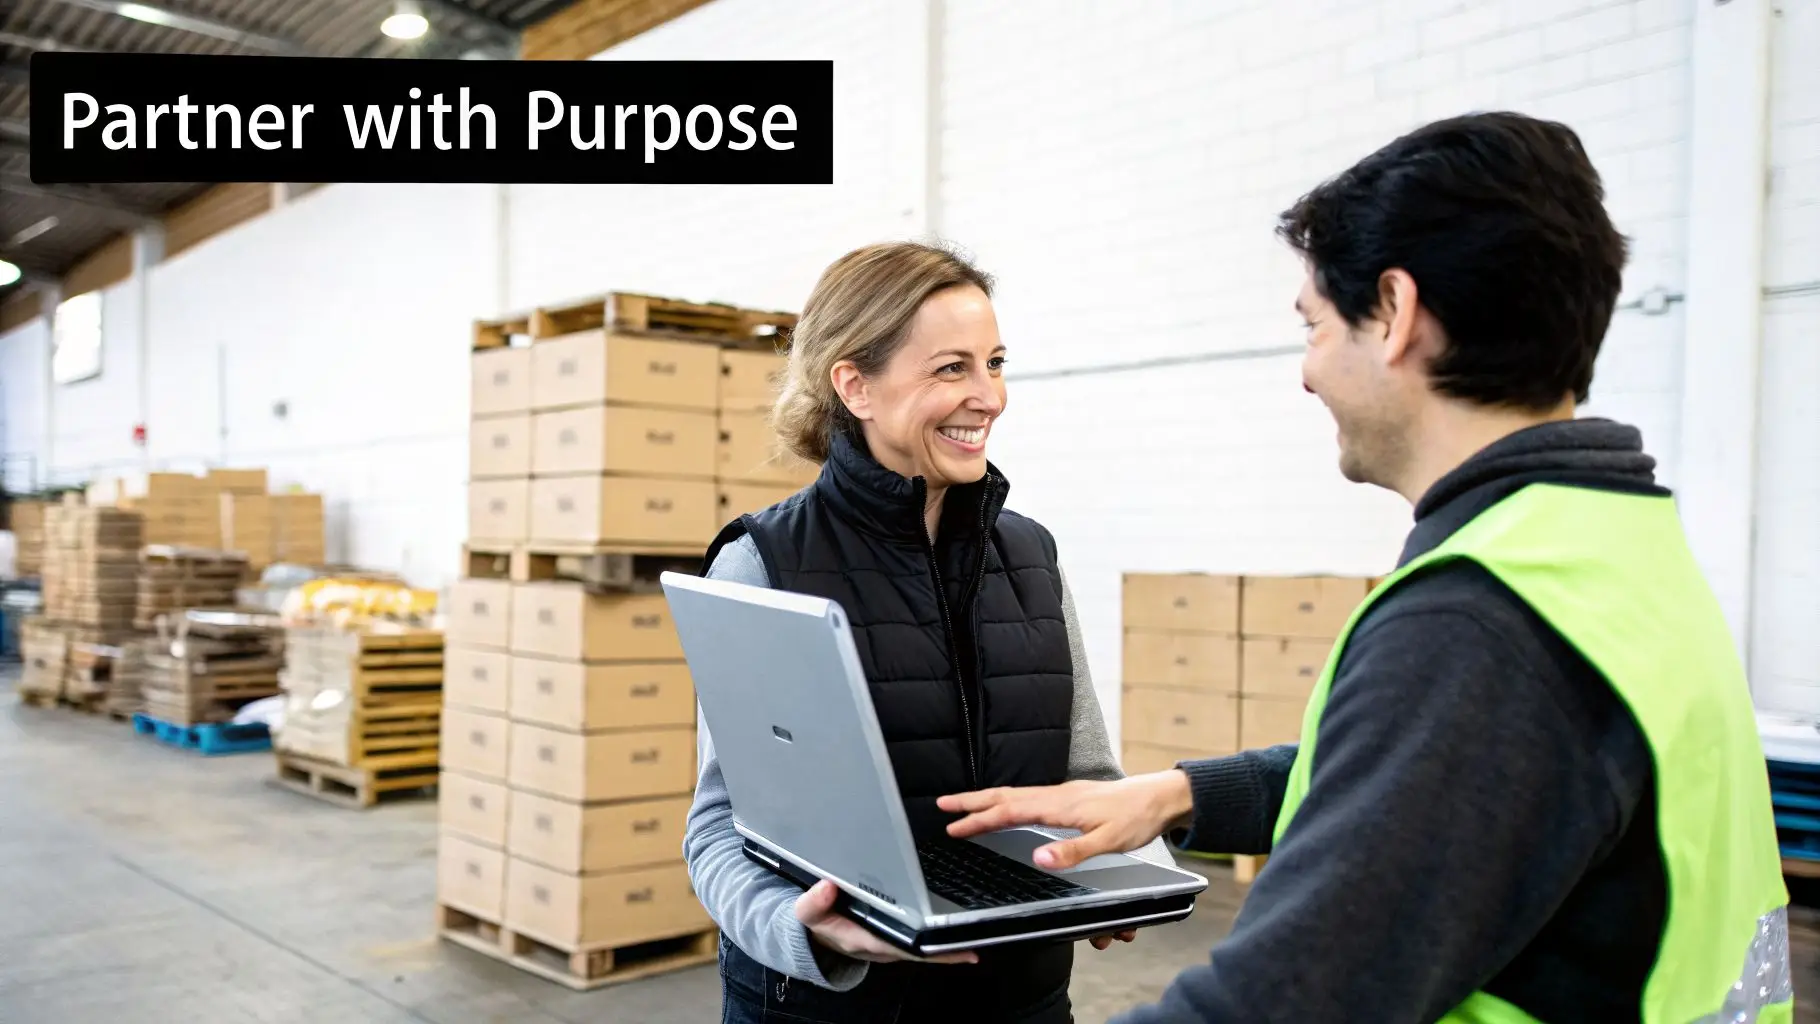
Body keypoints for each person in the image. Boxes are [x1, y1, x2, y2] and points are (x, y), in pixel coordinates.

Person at [938, 111, 1793, 1023]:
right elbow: (1449, 781)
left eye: (1313, 326)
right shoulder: (1607, 546)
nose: (1307, 375)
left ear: (1394, 313)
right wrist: (1185, 794)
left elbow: (1279, 1007)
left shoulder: (1479, 623)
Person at [683, 240, 1171, 1024]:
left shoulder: (1031, 555)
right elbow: (717, 826)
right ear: (856, 386)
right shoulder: (763, 562)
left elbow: (1086, 774)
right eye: (952, 369)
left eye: (996, 363)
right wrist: (806, 934)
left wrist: (1109, 866)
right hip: (827, 1009)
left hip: (1021, 1002)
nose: (990, 397)